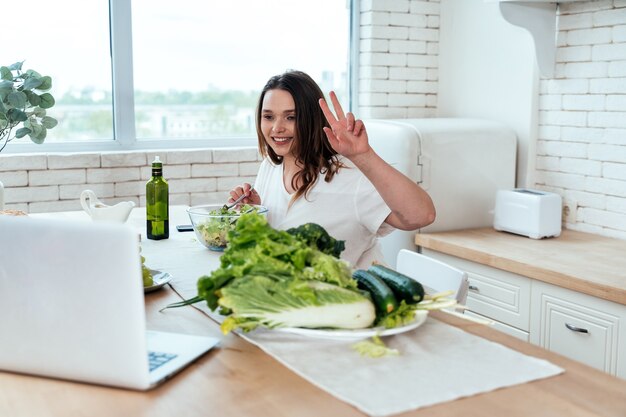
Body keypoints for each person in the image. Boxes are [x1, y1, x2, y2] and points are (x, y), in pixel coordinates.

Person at [228, 70, 435, 269]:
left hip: (354, 298)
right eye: (269, 117)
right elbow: (277, 245)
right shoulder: (271, 167)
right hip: (298, 298)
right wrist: (255, 212)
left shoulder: (350, 175)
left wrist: (364, 155)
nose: (277, 128)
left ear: (312, 119)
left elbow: (421, 216)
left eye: (291, 117)